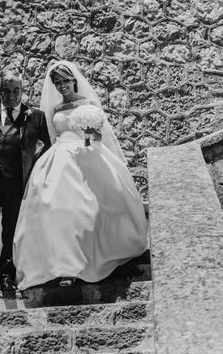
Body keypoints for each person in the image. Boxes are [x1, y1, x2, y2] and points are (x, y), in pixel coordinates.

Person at [13, 60, 148, 290]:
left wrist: (88, 136)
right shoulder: (54, 110)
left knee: (89, 207)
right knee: (53, 208)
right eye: (57, 82)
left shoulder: (88, 104)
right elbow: (52, 137)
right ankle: (61, 265)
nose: (61, 85)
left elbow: (98, 137)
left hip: (85, 154)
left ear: (74, 80)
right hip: (58, 157)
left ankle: (89, 260)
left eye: (65, 81)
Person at [0, 69, 51, 290]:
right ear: (0, 92)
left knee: (11, 230)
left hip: (17, 185)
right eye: (6, 91)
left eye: (16, 90)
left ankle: (6, 274)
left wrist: (35, 163)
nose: (11, 95)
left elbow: (49, 146)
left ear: (22, 91)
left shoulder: (36, 116)